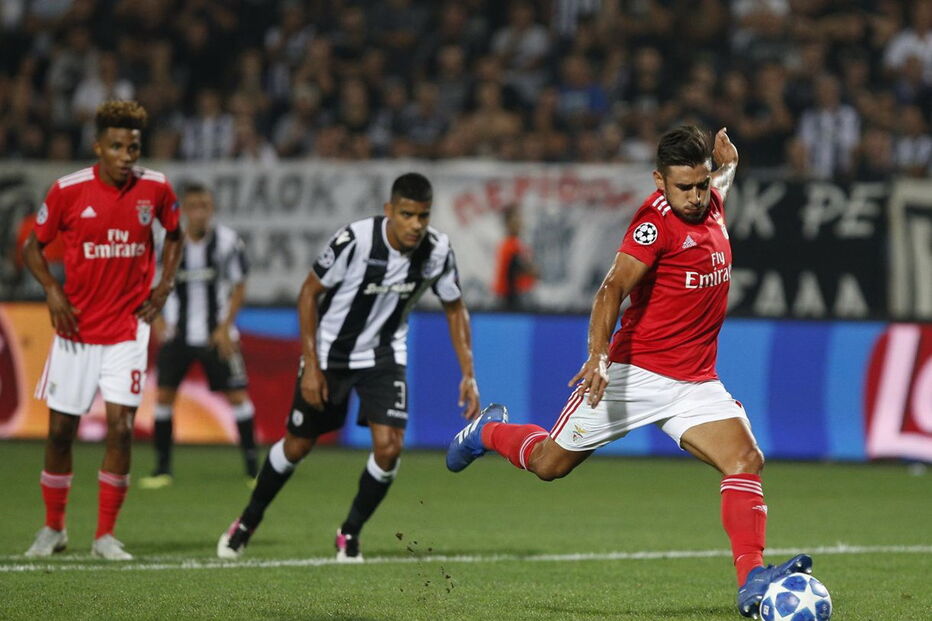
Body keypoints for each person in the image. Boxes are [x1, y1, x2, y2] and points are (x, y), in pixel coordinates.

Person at [447, 126, 812, 618]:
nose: (695, 197)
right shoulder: (653, 224)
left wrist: (728, 166)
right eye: (683, 187)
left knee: (745, 459)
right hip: (632, 374)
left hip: (696, 382)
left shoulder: (711, 202)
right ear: (659, 181)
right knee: (549, 465)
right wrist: (598, 357)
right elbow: (611, 289)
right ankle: (487, 430)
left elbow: (719, 185)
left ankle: (752, 580)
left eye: (702, 184)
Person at [217, 172, 481, 562]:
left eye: (423, 216)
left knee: (390, 449)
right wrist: (311, 364)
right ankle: (247, 521)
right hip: (331, 355)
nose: (416, 225)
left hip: (384, 356)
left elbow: (454, 305)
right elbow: (309, 293)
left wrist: (468, 373)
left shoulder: (438, 250)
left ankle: (350, 533)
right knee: (297, 446)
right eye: (407, 214)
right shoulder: (355, 240)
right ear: (389, 210)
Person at [22, 100, 183, 560]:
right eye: (117, 146)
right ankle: (54, 528)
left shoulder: (155, 188)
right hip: (76, 331)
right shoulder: (68, 191)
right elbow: (34, 247)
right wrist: (52, 290)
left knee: (123, 430)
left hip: (128, 329)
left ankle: (104, 536)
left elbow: (175, 233)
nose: (127, 155)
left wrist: (164, 284)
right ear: (98, 147)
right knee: (59, 433)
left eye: (133, 146)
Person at [139, 183, 257, 490]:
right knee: (163, 396)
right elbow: (147, 281)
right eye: (194, 206)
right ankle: (162, 469)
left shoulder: (228, 241)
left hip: (216, 334)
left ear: (212, 209)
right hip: (177, 334)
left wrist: (225, 326)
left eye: (205, 206)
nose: (200, 212)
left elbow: (239, 286)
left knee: (238, 396)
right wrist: (158, 320)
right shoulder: (166, 241)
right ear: (183, 210)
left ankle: (253, 469)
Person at [492, 203, 538, 311]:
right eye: (516, 218)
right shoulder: (508, 245)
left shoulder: (519, 244)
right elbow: (519, 268)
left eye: (520, 217)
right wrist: (530, 269)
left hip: (519, 297)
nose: (520, 221)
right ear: (507, 223)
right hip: (510, 300)